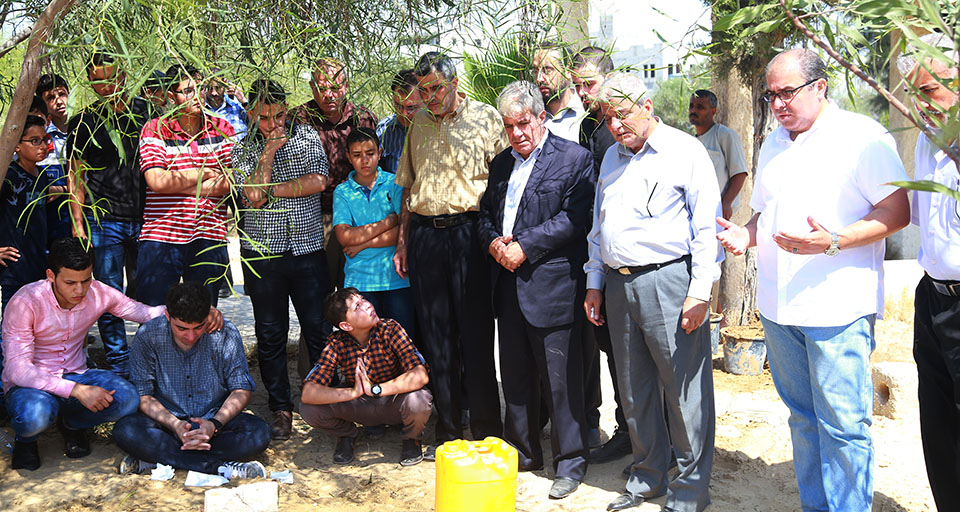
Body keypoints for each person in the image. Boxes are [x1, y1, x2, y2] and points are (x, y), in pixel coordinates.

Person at [716, 49, 910, 512]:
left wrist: (834, 241)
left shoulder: (862, 138)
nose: (778, 104)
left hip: (836, 309)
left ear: (820, 86)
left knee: (843, 425)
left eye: (787, 92)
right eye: (771, 95)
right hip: (778, 310)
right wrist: (746, 234)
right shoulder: (774, 143)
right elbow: (765, 213)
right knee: (803, 419)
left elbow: (897, 211)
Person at [583, 73, 722, 512]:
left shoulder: (685, 151)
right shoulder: (611, 157)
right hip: (618, 284)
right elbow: (598, 228)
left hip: (670, 282)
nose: (615, 126)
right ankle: (647, 477)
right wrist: (594, 282)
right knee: (634, 389)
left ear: (647, 106)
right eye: (608, 118)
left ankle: (690, 491)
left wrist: (700, 291)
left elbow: (706, 228)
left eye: (623, 114)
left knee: (683, 392)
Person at [2, 238, 222, 471]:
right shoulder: (26, 301)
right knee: (35, 415)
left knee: (128, 399)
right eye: (70, 282)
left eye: (86, 280)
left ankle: (72, 424)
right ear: (50, 275)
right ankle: (26, 440)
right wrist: (77, 390)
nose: (79, 290)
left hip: (77, 373)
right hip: (33, 384)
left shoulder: (98, 292)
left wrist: (199, 310)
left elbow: (145, 313)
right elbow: (17, 369)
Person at [477, 80, 594, 500]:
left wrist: (525, 246)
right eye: (509, 126)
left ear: (541, 117)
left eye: (523, 123)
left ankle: (570, 462)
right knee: (516, 376)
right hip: (507, 285)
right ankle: (523, 453)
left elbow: (575, 218)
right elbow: (485, 215)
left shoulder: (574, 158)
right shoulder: (501, 164)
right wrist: (493, 243)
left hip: (553, 286)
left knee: (561, 383)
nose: (517, 133)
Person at [393, 51, 506, 453]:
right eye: (423, 91)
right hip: (426, 237)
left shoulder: (487, 118)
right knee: (437, 336)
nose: (429, 97)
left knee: (476, 334)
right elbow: (409, 187)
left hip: (470, 235)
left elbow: (504, 183)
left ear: (455, 83)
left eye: (436, 88)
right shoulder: (418, 124)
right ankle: (449, 429)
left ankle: (487, 428)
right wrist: (404, 240)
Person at [232, 78, 331, 441]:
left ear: (286, 109)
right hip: (262, 254)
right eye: (263, 118)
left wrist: (271, 190)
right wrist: (269, 152)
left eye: (277, 116)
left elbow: (318, 181)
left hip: (307, 249)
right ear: (250, 114)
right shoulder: (243, 149)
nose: (272, 124)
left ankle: (322, 401)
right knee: (270, 334)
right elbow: (252, 196)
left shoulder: (306, 136)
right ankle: (280, 408)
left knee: (318, 329)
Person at [114, 281, 269, 478]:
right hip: (167, 423)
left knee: (259, 432)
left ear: (208, 316)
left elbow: (241, 389)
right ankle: (218, 467)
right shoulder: (148, 336)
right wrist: (176, 425)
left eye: (198, 327)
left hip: (214, 423)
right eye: (181, 328)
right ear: (168, 316)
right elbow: (144, 396)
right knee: (126, 430)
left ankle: (159, 460)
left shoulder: (225, 333)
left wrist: (214, 424)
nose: (190, 336)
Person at [897, 34, 960, 511]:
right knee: (938, 426)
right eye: (914, 94)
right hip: (933, 297)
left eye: (930, 91)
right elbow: (922, 219)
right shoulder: (924, 140)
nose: (921, 105)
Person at [66, 52, 156, 378]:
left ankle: (147, 360)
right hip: (103, 221)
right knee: (107, 296)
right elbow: (75, 174)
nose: (106, 86)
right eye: (98, 80)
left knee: (149, 294)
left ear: (124, 75)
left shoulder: (148, 114)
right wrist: (78, 222)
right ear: (90, 82)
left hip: (149, 218)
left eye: (112, 77)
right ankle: (120, 365)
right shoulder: (83, 122)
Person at [571, 45, 630, 464]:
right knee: (611, 348)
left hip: (632, 257)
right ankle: (627, 429)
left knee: (633, 353)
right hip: (599, 254)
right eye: (577, 85)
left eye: (589, 84)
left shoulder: (623, 127)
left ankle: (645, 434)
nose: (583, 92)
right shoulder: (588, 126)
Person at [136, 64, 234, 306]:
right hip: (161, 236)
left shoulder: (221, 127)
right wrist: (204, 172)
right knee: (154, 314)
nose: (198, 96)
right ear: (171, 96)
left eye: (201, 89)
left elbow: (231, 181)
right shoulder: (155, 129)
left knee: (203, 314)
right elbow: (156, 181)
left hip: (209, 234)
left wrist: (175, 180)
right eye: (189, 90)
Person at [300, 288, 431, 466]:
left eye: (363, 299)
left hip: (392, 400)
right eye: (357, 306)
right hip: (359, 404)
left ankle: (411, 438)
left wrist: (375, 389)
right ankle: (347, 434)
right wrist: (354, 392)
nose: (368, 305)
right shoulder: (336, 343)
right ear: (346, 326)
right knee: (309, 409)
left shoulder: (390, 329)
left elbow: (420, 375)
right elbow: (309, 392)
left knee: (419, 399)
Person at [294, 58, 378, 287]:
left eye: (335, 87)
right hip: (314, 217)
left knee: (355, 292)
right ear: (312, 87)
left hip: (358, 218)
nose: (328, 95)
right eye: (322, 88)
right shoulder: (298, 120)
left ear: (346, 86)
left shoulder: (363, 119)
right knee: (320, 291)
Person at [333, 128, 414, 331]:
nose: (365, 160)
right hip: (360, 282)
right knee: (366, 344)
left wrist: (362, 244)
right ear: (348, 157)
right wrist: (388, 222)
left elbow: (403, 231)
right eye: (357, 155)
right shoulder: (342, 192)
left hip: (396, 279)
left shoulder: (395, 183)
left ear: (380, 152)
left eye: (370, 153)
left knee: (401, 341)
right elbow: (345, 237)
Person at [0, 115, 52, 410]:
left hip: (37, 266)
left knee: (36, 331)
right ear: (16, 145)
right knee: (11, 332)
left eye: (45, 140)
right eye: (34, 141)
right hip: (14, 268)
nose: (43, 146)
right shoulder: (6, 176)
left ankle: (30, 387)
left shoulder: (42, 177)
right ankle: (5, 391)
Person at [688, 90, 748, 221]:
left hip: (720, 216)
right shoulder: (691, 143)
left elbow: (740, 173)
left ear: (713, 111)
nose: (693, 110)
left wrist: (726, 202)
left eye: (700, 107)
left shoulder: (724, 135)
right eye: (691, 106)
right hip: (696, 215)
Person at [35, 73, 72, 241]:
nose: (58, 101)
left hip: (83, 220)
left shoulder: (84, 130)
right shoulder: (38, 138)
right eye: (50, 98)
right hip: (47, 224)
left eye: (62, 94)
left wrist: (63, 190)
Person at [532, 42, 585, 143]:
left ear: (568, 71)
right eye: (535, 71)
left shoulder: (585, 110)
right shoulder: (532, 117)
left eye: (548, 70)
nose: (539, 78)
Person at [376, 69, 423, 175]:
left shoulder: (437, 128)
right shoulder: (384, 129)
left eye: (411, 108)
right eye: (398, 106)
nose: (404, 113)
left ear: (425, 101)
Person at [205, 70, 248, 141]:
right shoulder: (201, 109)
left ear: (224, 83)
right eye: (210, 88)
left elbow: (257, 122)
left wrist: (243, 101)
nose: (214, 93)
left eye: (217, 88)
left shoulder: (236, 103)